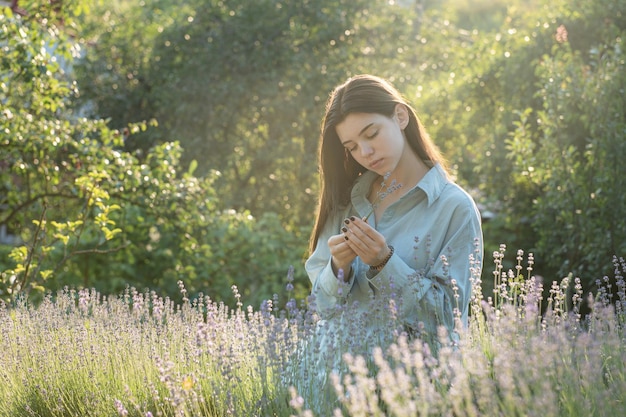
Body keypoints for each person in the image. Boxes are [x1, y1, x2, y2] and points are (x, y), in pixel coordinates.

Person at [305, 74, 483, 351]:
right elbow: (321, 309)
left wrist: (384, 263)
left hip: (413, 384)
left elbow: (448, 319)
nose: (365, 152)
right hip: (334, 380)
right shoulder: (346, 203)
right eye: (351, 147)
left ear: (400, 117)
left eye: (371, 134)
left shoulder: (454, 208)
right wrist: (338, 268)